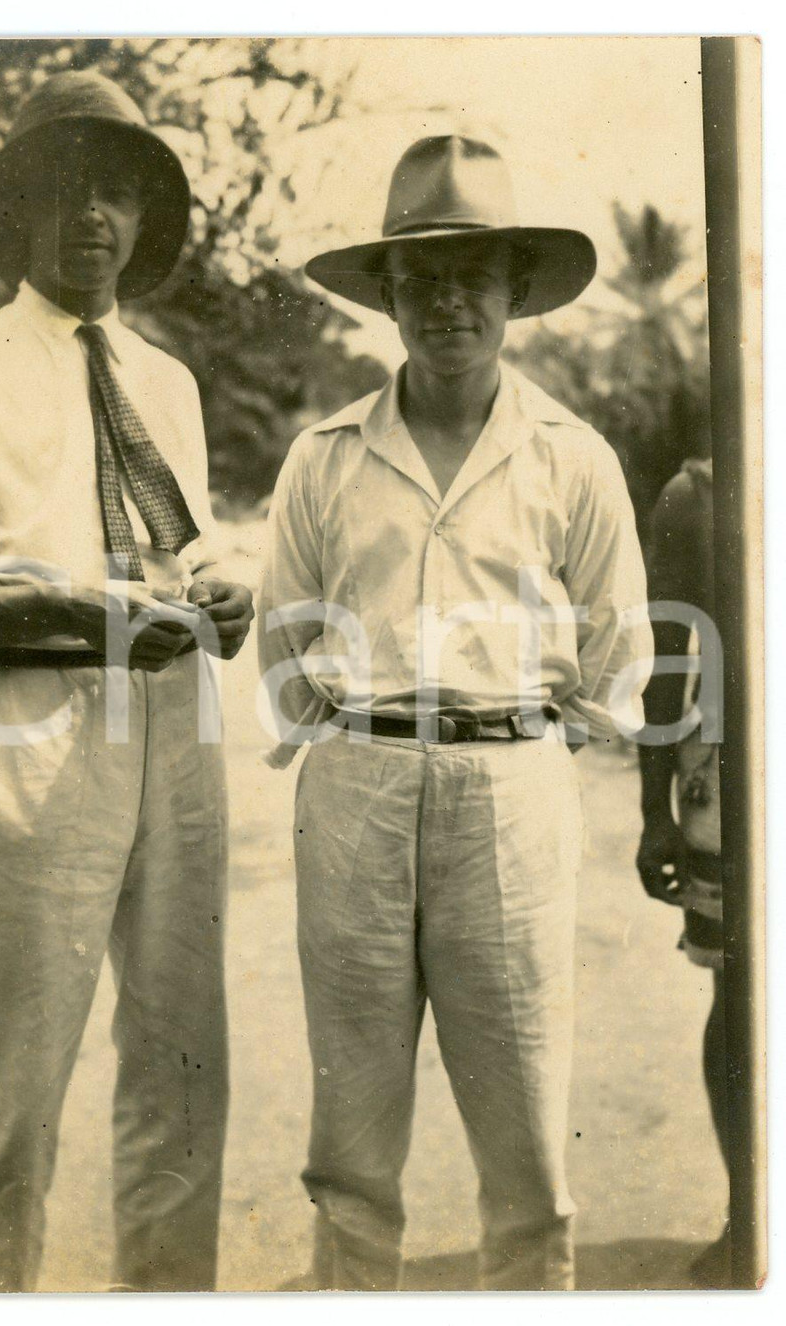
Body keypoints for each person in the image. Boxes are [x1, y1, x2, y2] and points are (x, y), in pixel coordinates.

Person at [0, 70, 254, 1293]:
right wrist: (62, 606)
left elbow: (180, 544)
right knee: (12, 1101)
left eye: (121, 194)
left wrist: (223, 587)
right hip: (36, 737)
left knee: (184, 1077)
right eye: (70, 190)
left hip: (178, 739)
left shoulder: (167, 383)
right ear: (22, 212)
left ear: (144, 222)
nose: (95, 217)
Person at [258, 135, 653, 1290]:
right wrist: (369, 730)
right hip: (356, 794)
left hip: (509, 795)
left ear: (513, 292)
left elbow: (616, 648)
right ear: (385, 295)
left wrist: (518, 736)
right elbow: (285, 645)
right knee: (351, 1147)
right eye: (420, 276)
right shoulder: (323, 458)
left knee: (526, 1145)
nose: (447, 300)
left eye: (473, 273)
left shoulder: (572, 459)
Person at [636, 457, 728, 1285]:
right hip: (733, 776)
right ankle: (749, 1209)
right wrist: (651, 808)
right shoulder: (697, 492)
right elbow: (665, 658)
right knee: (738, 995)